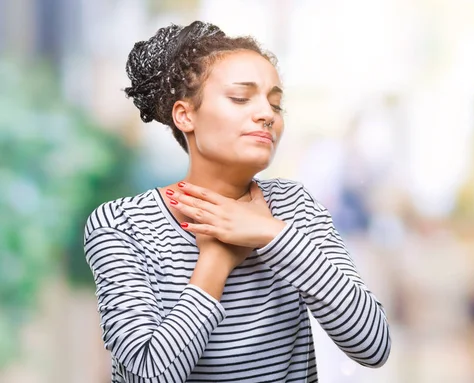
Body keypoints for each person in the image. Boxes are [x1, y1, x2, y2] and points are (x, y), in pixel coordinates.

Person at [83, 20, 391, 382]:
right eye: (241, 98)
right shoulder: (121, 225)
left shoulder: (295, 208)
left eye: (276, 105)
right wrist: (215, 261)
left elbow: (373, 346)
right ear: (185, 115)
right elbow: (150, 376)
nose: (266, 115)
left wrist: (271, 235)